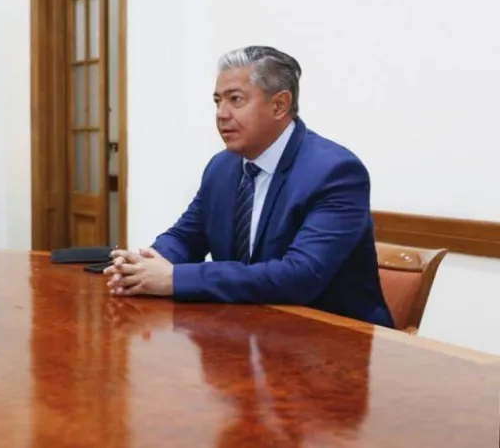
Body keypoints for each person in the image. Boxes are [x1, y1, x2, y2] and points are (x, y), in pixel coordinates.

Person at [104, 46, 393, 328]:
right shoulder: (222, 166)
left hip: (330, 338)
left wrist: (174, 279)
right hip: (245, 329)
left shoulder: (335, 172)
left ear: (279, 105)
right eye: (217, 101)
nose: (221, 113)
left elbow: (300, 277)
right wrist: (143, 266)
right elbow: (185, 237)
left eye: (235, 100)